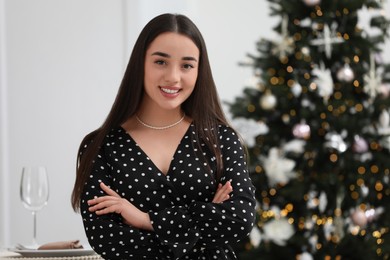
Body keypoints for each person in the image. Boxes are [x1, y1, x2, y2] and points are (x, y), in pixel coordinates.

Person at [71, 13, 256, 259]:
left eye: (187, 65)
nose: (173, 77)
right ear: (141, 64)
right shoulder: (101, 147)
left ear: (199, 71)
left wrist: (145, 220)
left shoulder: (222, 139)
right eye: (161, 62)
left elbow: (239, 219)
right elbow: (108, 241)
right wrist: (207, 219)